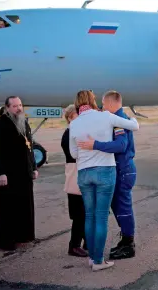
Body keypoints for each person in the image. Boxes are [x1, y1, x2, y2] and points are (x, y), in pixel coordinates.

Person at [69, 90, 139, 271]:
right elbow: (135, 126)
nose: (102, 106)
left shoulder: (75, 123)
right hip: (106, 171)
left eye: (104, 102)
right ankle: (101, 257)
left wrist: (94, 146)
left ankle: (122, 245)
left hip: (108, 171)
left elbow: (121, 145)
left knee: (107, 212)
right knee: (101, 216)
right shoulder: (108, 118)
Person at [0, 96, 38, 251]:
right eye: (15, 106)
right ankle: (5, 239)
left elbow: (29, 146)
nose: (19, 108)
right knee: (8, 208)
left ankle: (23, 236)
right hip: (8, 175)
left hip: (24, 174)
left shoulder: (24, 122)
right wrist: (0, 172)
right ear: (7, 107)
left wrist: (34, 167)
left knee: (24, 206)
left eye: (20, 105)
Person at [61, 105, 88, 257]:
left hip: (78, 173)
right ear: (70, 117)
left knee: (83, 212)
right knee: (79, 213)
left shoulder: (72, 132)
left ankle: (86, 241)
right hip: (75, 175)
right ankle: (74, 245)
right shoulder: (70, 133)